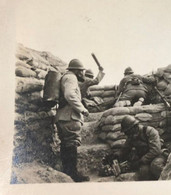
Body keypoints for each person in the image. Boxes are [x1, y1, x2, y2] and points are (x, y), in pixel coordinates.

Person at [54, 59, 90, 182]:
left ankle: (67, 172)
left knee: (66, 144)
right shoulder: (71, 78)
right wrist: (82, 109)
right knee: (71, 144)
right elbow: (69, 94)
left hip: (63, 117)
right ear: (76, 71)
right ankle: (73, 174)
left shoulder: (66, 77)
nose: (83, 74)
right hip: (70, 117)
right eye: (81, 71)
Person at [104, 115, 168, 180]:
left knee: (155, 166)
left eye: (128, 131)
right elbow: (125, 150)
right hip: (147, 159)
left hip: (159, 155)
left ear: (134, 127)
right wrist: (115, 155)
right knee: (143, 171)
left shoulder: (150, 131)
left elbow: (155, 151)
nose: (127, 134)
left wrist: (140, 161)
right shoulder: (131, 136)